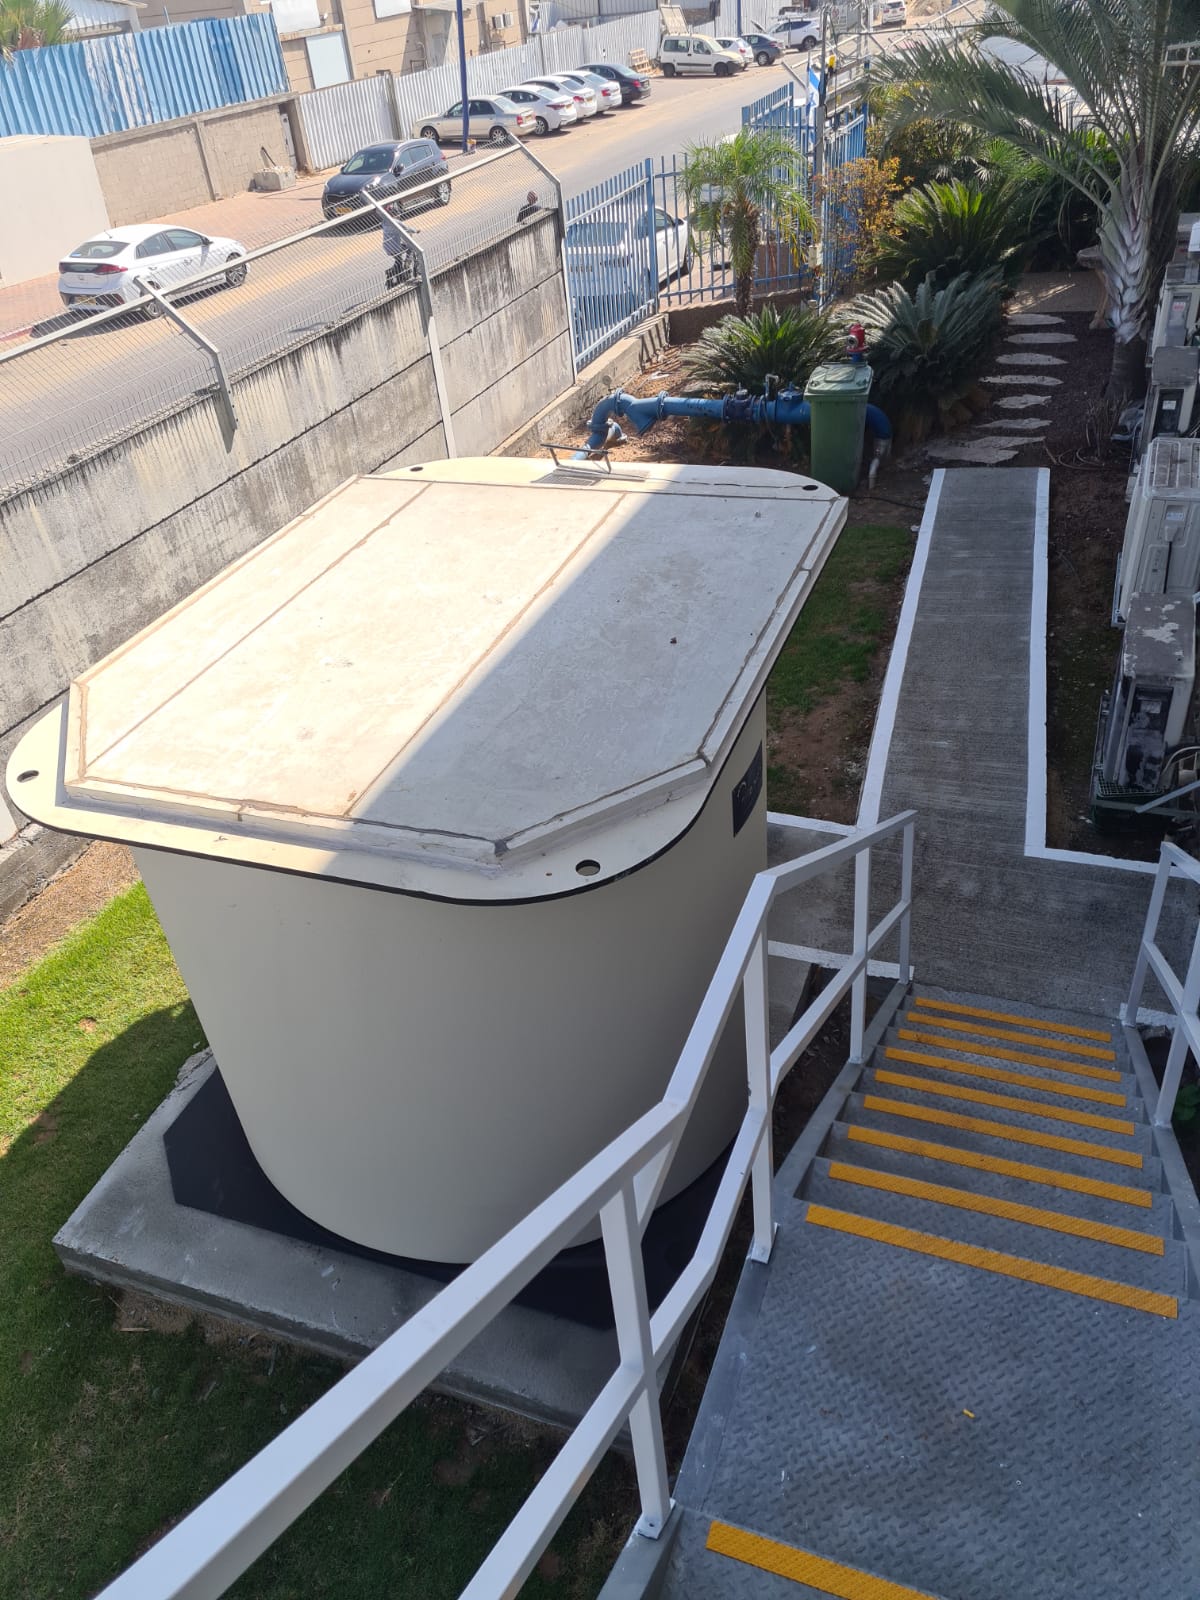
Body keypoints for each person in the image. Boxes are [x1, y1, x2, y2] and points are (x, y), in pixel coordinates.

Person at [381, 209, 415, 288]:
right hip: (396, 247)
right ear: (395, 215)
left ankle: (391, 272)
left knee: (398, 260)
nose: (399, 216)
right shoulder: (396, 222)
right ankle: (407, 264)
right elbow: (407, 228)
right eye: (398, 214)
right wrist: (416, 230)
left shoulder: (384, 222)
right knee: (411, 248)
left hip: (387, 247)